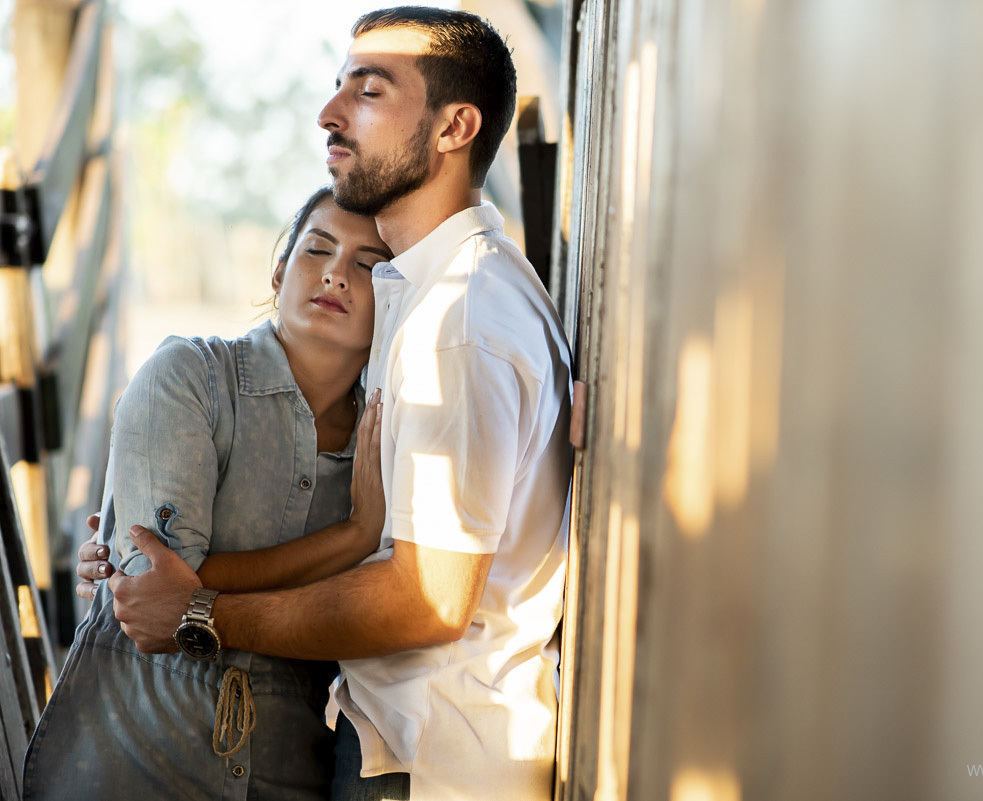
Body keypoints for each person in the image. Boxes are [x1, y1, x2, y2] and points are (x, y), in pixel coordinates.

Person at [78, 7, 574, 801]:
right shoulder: (442, 294)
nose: (329, 115)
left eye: (369, 92)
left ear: (455, 127)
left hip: (431, 760)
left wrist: (204, 610)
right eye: (339, 86)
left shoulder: (460, 317)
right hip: (400, 745)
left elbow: (428, 598)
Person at [26, 187, 394, 800]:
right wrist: (351, 538)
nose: (336, 273)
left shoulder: (388, 436)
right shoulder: (189, 377)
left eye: (367, 263)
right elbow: (152, 593)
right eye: (318, 249)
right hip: (136, 759)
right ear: (279, 274)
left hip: (289, 772)